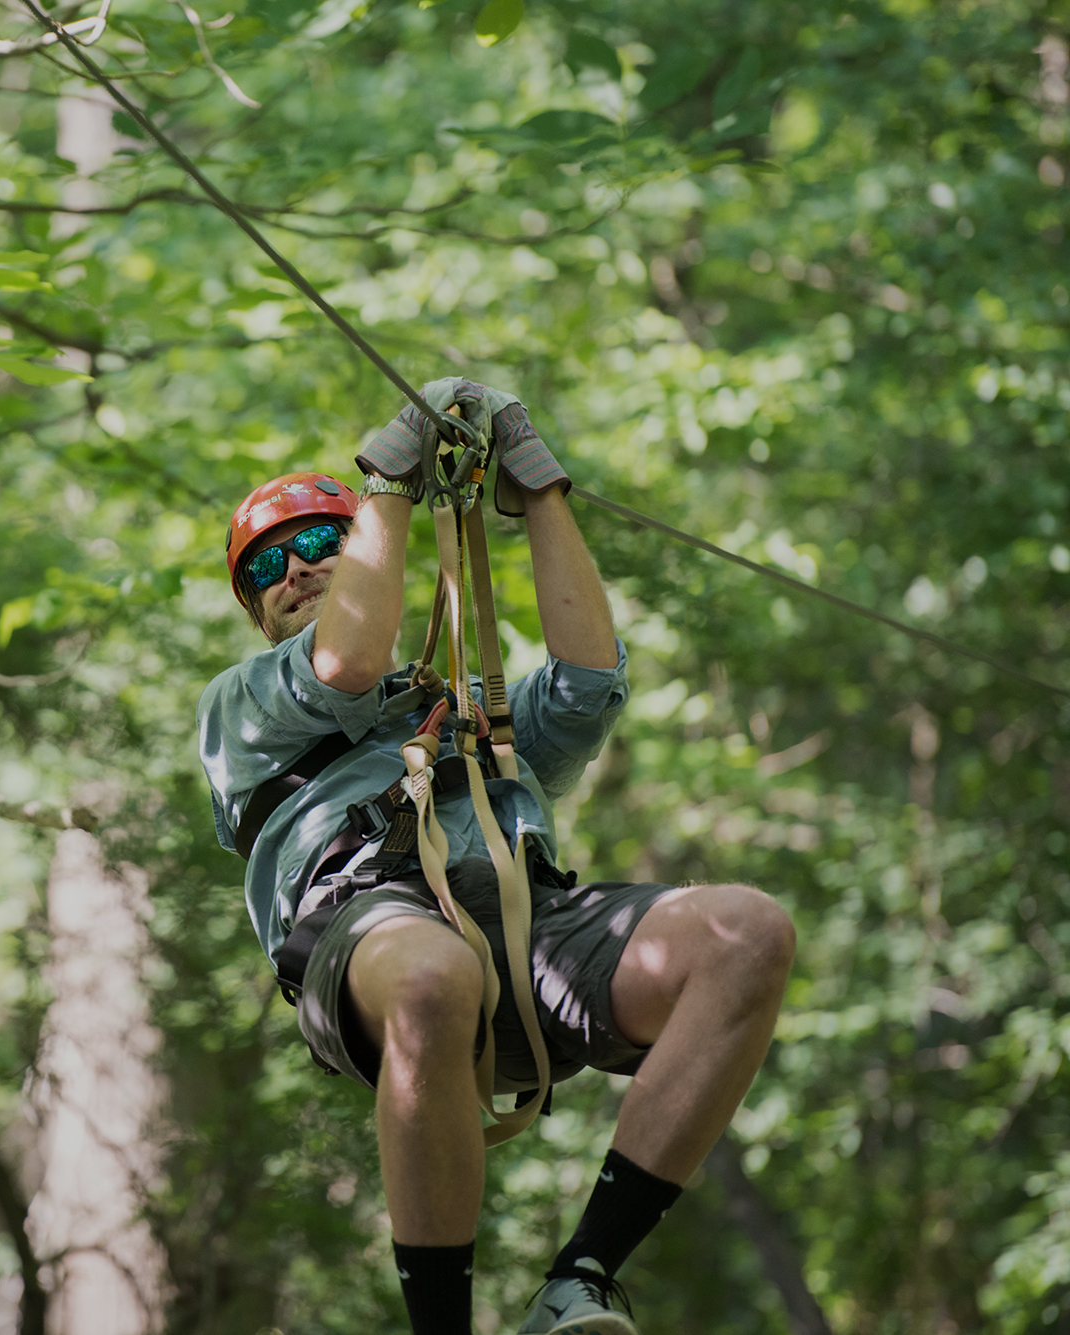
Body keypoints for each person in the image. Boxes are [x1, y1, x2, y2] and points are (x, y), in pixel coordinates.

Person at [195, 380, 797, 1335]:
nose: (297, 569)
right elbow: (348, 661)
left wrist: (539, 487)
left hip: (523, 939)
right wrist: (388, 479)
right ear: (256, 611)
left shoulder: (470, 718)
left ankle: (584, 1274)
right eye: (268, 566)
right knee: (434, 974)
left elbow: (591, 680)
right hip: (368, 933)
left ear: (361, 556)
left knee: (747, 932)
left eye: (322, 543)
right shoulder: (244, 707)